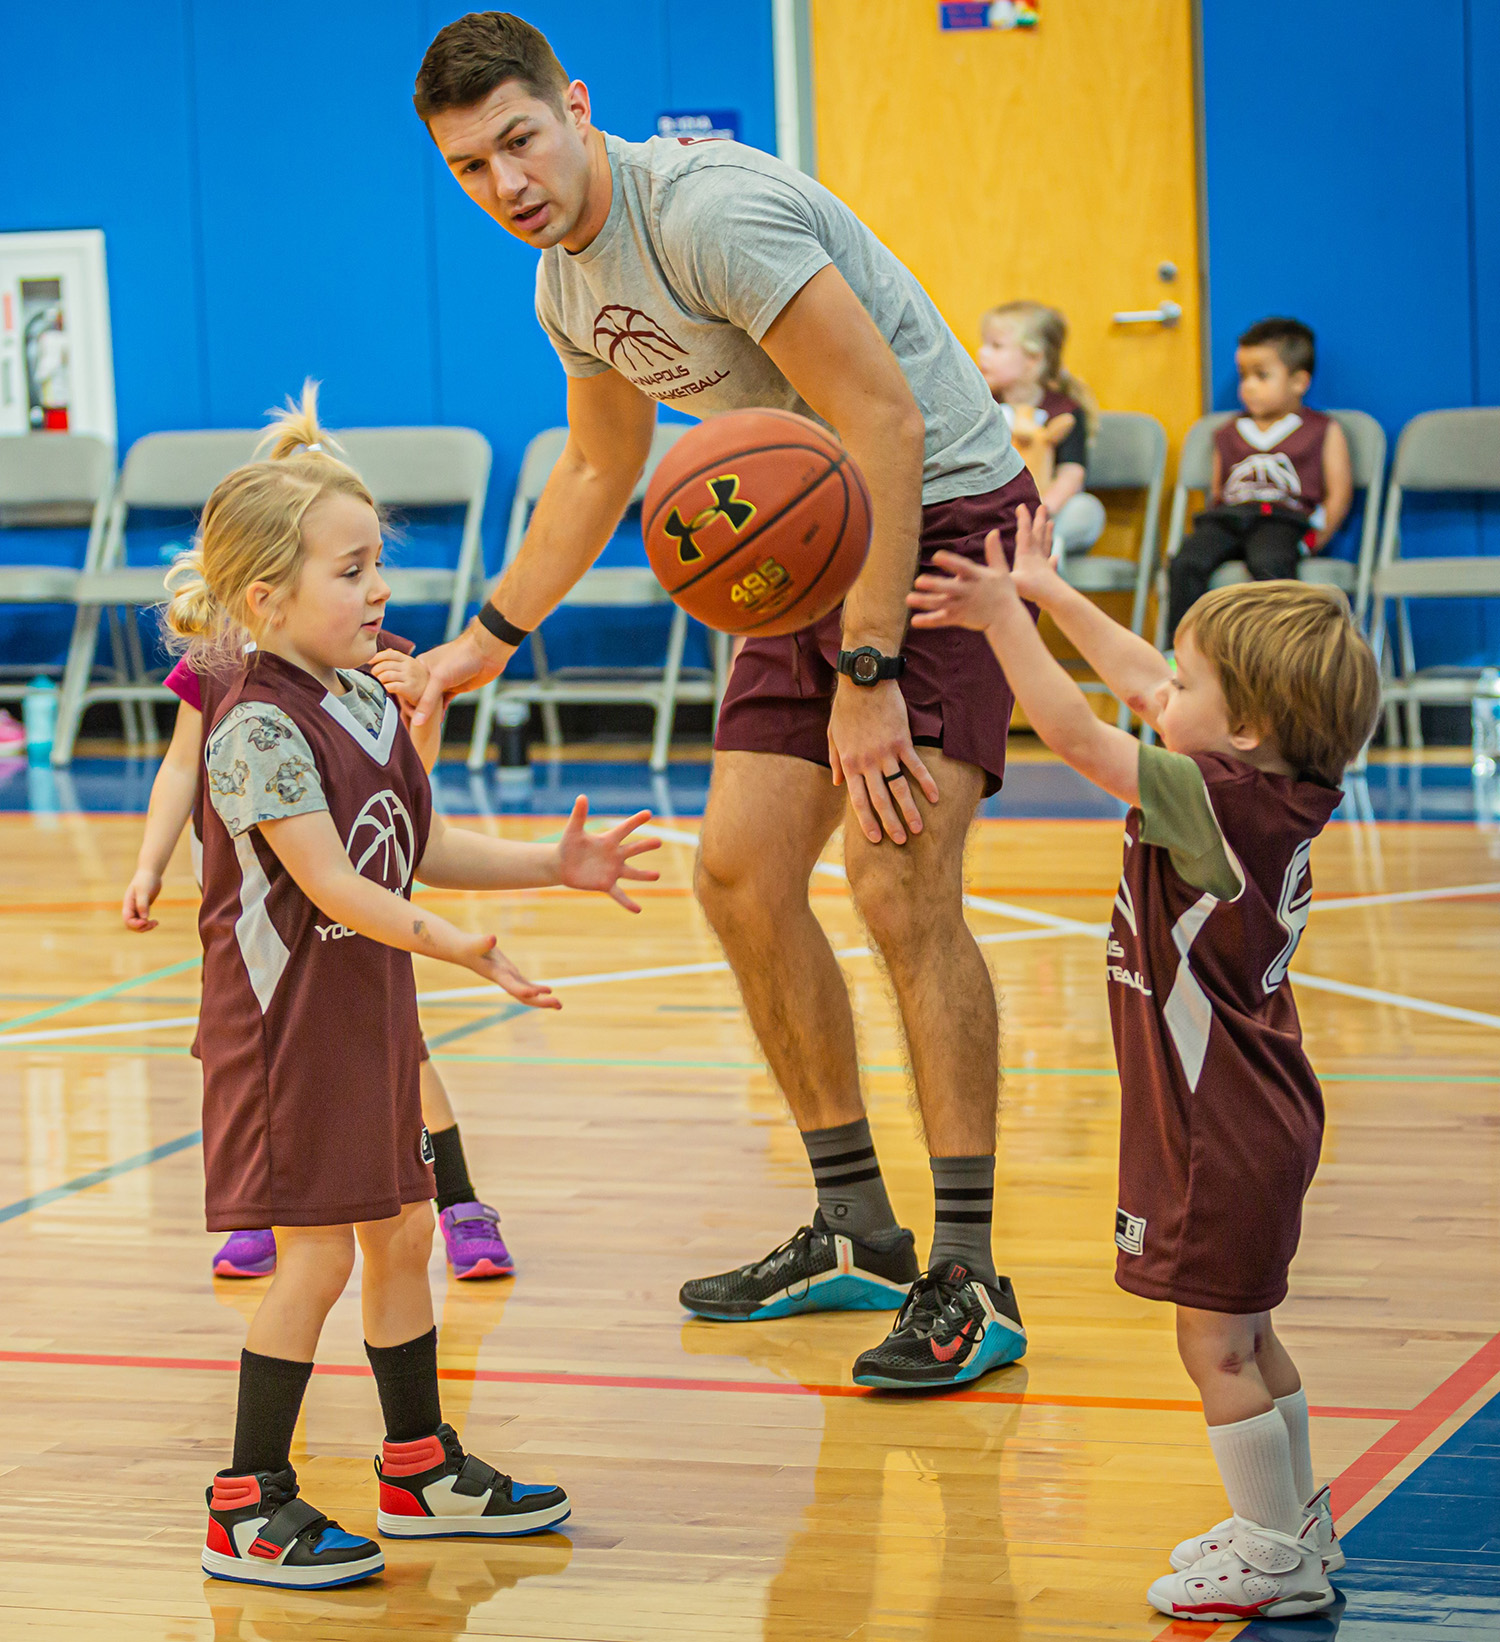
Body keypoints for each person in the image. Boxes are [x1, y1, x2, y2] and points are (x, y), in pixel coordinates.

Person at [407, 11, 1033, 1391]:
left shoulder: (709, 213)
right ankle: (854, 1226)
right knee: (740, 877)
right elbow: (593, 470)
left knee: (896, 878)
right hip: (799, 539)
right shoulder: (564, 285)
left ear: (577, 105)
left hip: (936, 522)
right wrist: (483, 641)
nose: (507, 182)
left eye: (520, 139)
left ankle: (971, 1273)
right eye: (470, 166)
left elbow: (885, 420)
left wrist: (867, 677)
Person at [166, 385, 659, 1588]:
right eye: (351, 570)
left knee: (399, 1235)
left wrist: (552, 863)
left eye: (377, 563)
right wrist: (461, 946)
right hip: (283, 1043)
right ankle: (247, 1502)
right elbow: (336, 885)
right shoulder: (256, 727)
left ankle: (419, 1466)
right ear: (266, 598)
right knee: (319, 1260)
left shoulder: (357, 697)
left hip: (364, 1023)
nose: (379, 588)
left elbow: (406, 839)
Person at [907, 513, 1379, 1621]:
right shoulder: (1263, 784)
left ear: (1245, 726)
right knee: (1251, 1333)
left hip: (1217, 1125)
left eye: (1192, 683)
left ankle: (1273, 1550)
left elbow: (1076, 732)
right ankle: (1296, 1516)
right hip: (1257, 1108)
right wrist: (1053, 594)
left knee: (1212, 1342)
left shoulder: (1206, 797)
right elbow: (1141, 677)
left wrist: (1003, 620)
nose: (1167, 689)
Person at [125, 646, 515, 1283]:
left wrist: (425, 711)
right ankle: (258, 1202)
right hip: (256, 904)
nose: (373, 590)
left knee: (403, 1052)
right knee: (239, 1050)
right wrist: (149, 863)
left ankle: (460, 1199)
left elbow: (405, 795)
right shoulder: (215, 661)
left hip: (350, 894)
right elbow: (180, 767)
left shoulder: (354, 651)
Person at [1164, 317, 1353, 644]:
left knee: (1271, 563)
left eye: (1261, 376)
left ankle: (1275, 654)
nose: (1248, 386)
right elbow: (1219, 492)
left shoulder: (1322, 429)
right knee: (1186, 563)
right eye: (1243, 376)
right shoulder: (1226, 433)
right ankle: (1179, 653)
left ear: (1299, 382)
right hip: (1229, 518)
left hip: (1281, 519)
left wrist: (1313, 540)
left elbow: (1338, 495)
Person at [977, 300, 1105, 556]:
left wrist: (1042, 510)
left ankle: (1044, 550)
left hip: (1046, 511)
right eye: (984, 344)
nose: (982, 353)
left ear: (1033, 359)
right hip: (997, 510)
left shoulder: (1065, 411)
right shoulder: (983, 406)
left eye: (996, 346)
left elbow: (1071, 475)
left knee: (1087, 509)